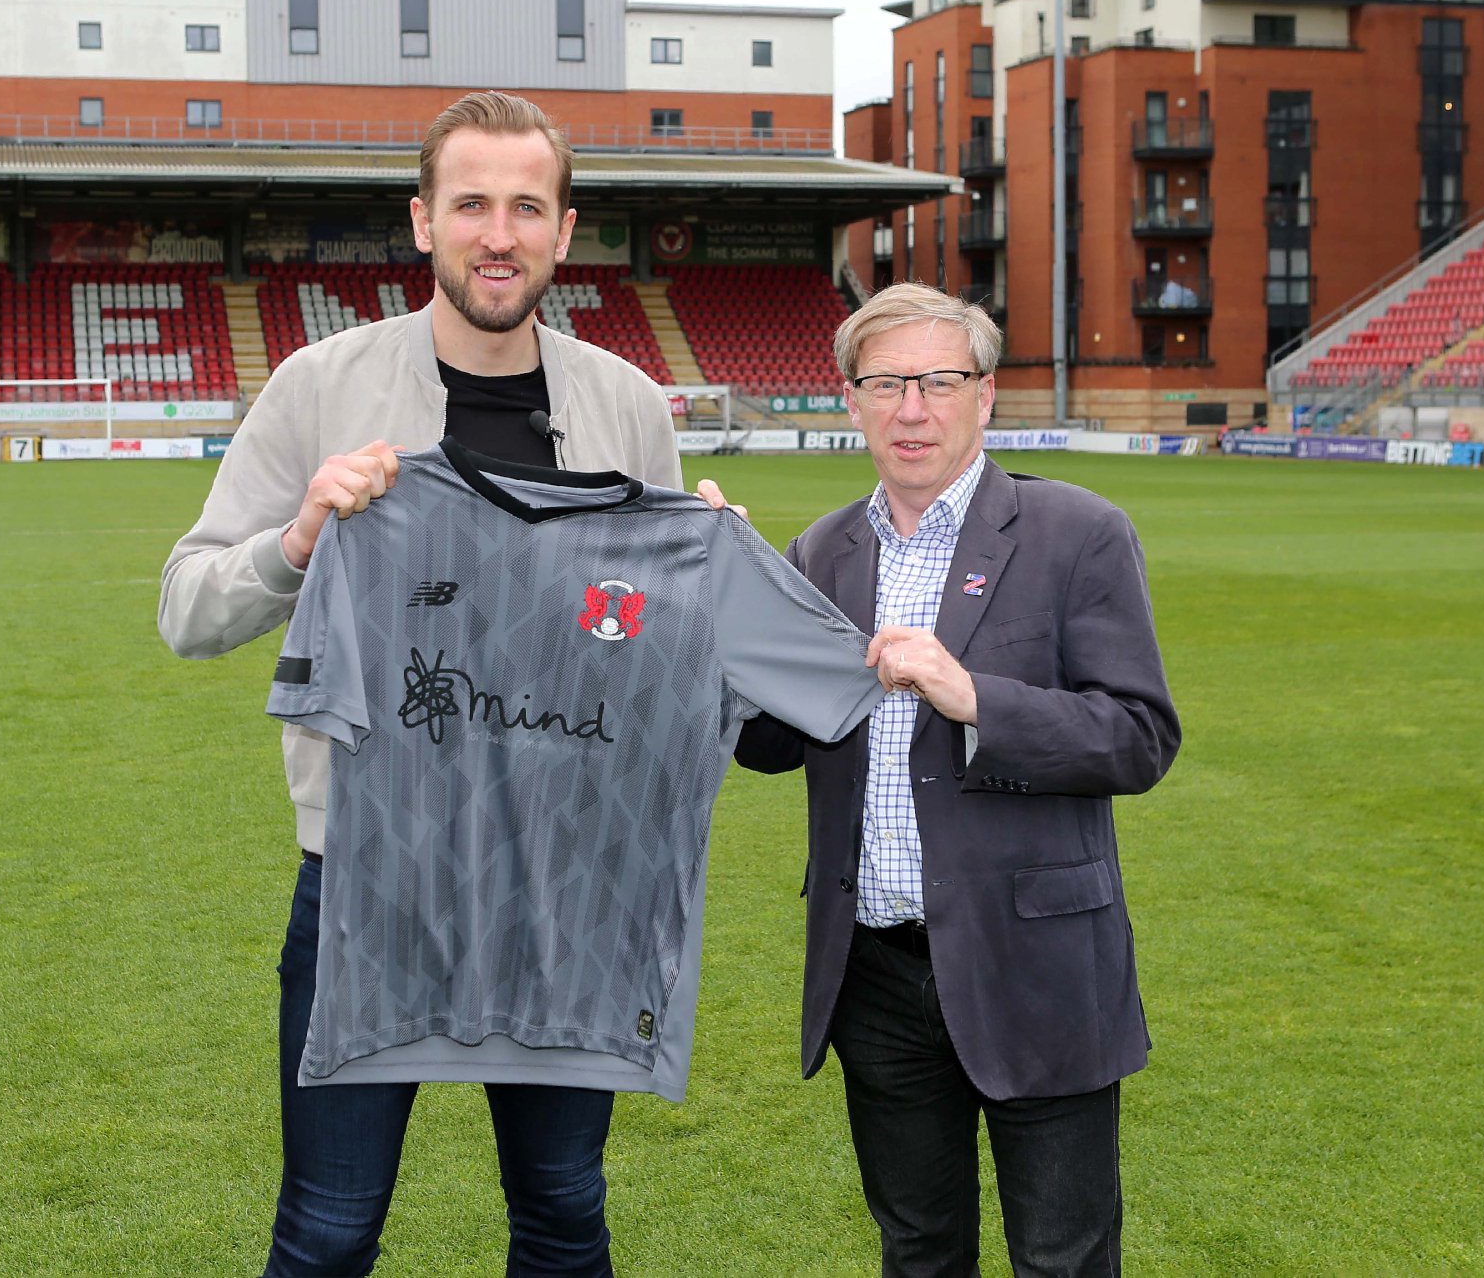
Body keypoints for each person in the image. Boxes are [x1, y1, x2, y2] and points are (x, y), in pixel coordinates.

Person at [160, 91, 721, 1277]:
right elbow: (187, 607)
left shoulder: (625, 402)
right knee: (327, 1228)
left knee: (564, 1209)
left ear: (566, 232)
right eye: (471, 203)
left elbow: (654, 648)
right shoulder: (321, 385)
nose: (498, 233)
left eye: (527, 205)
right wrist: (302, 537)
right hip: (373, 877)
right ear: (422, 222)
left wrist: (707, 570)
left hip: (571, 886)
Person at [735, 282, 1181, 1276]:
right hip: (877, 975)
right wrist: (729, 607)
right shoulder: (821, 552)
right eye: (885, 382)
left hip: (1036, 965)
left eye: (938, 380)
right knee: (918, 1249)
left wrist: (972, 694)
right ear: (848, 400)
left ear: (983, 396)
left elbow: (1138, 736)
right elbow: (766, 743)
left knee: (1062, 1257)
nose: (911, 407)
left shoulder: (1075, 533)